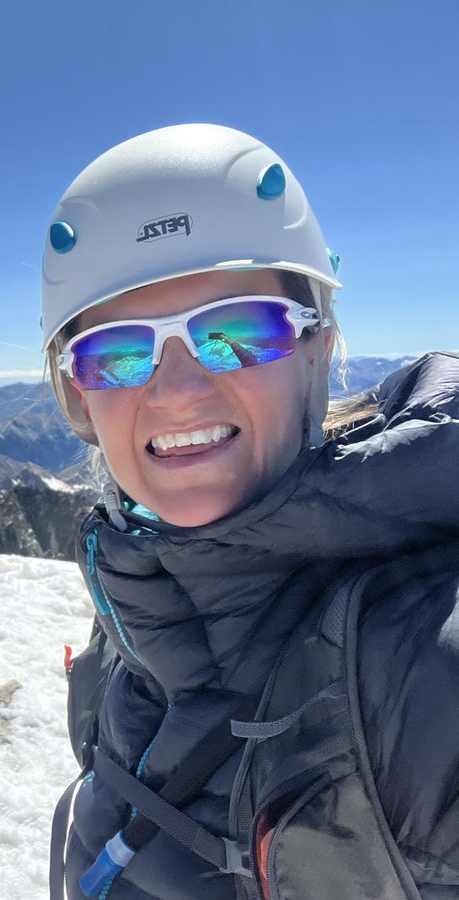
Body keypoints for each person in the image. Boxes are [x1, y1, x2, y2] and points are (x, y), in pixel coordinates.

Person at [41, 124, 459, 899]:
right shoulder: (136, 615)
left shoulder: (434, 667)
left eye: (236, 333)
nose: (174, 390)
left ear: (316, 349)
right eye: (118, 354)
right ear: (79, 398)